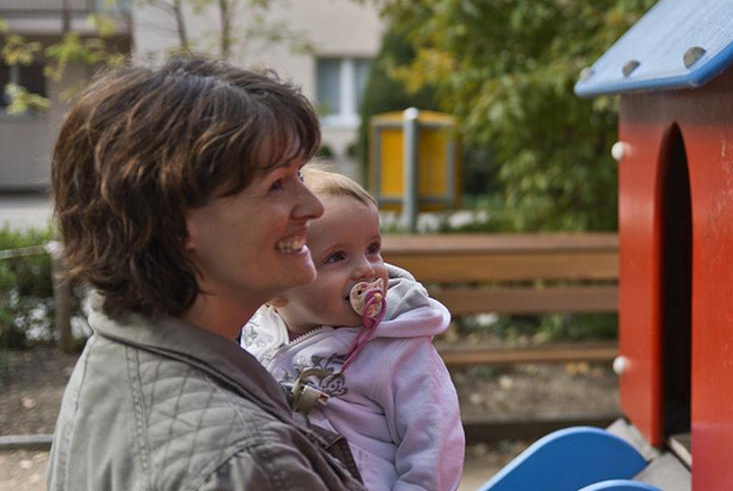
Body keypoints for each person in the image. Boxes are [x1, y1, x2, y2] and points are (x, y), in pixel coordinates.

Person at [48, 58, 365, 489]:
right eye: (276, 184)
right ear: (176, 223)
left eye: (300, 175)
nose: (313, 206)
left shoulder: (115, 354)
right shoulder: (247, 464)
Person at [241, 168, 464, 491]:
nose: (366, 268)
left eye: (372, 248)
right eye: (337, 257)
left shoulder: (397, 347)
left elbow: (434, 444)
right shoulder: (253, 334)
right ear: (275, 288)